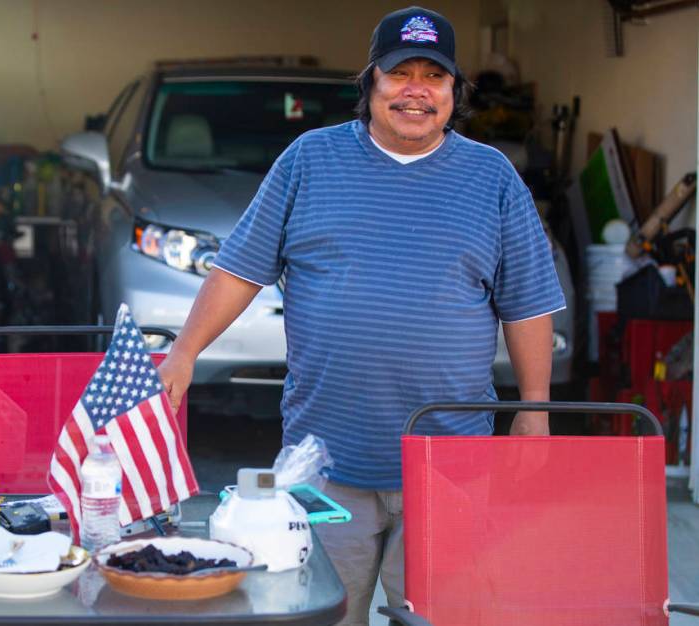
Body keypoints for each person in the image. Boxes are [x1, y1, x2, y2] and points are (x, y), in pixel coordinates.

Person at [157, 5, 564, 624]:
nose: (416, 92)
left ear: (456, 92)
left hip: (447, 463)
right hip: (325, 463)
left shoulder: (493, 177)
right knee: (319, 612)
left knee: (437, 616)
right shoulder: (307, 161)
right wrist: (184, 351)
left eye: (436, 77)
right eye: (402, 73)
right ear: (370, 82)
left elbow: (529, 303)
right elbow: (239, 270)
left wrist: (534, 411)